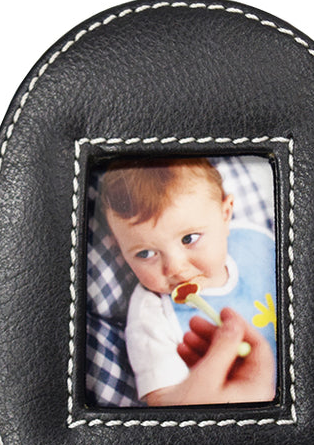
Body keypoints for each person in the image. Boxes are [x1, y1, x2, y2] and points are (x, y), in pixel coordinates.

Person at [100, 157, 277, 405]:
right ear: (121, 251)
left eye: (189, 238)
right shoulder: (153, 315)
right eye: (146, 253)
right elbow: (164, 402)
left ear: (225, 215)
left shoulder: (255, 243)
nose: (175, 268)